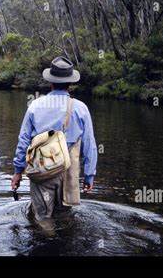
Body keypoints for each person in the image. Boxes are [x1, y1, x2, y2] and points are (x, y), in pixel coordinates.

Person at [11, 56, 98, 221]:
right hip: (67, 171)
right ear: (70, 83)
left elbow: (23, 141)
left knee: (42, 218)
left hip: (42, 169)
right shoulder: (81, 109)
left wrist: (18, 171)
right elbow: (89, 145)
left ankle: (46, 241)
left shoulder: (35, 106)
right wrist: (89, 175)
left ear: (50, 82)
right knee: (65, 217)